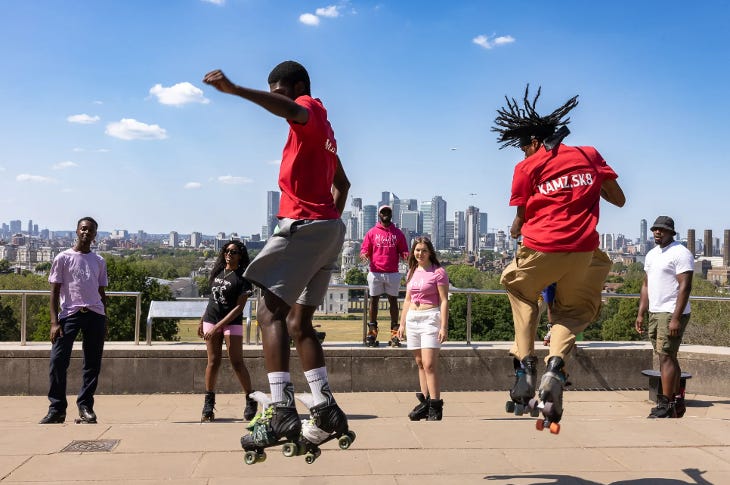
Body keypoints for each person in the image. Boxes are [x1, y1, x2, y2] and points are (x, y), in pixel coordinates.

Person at [203, 61, 352, 449]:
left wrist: (236, 90)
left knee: (269, 312)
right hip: (329, 229)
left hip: (303, 224)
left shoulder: (309, 110)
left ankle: (282, 412)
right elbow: (343, 183)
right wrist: (329, 218)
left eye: (279, 91)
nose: (277, 98)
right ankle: (325, 406)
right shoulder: (327, 135)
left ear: (299, 86)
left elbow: (291, 109)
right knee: (300, 322)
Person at [493, 85, 625, 424]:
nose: (522, 154)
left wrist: (513, 229)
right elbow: (618, 198)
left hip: (541, 248)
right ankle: (555, 366)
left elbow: (521, 218)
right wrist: (591, 182)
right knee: (573, 310)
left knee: (519, 288)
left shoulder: (527, 168)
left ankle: (526, 367)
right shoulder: (589, 154)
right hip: (582, 250)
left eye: (523, 147)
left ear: (535, 142)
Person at [40, 217, 108, 424]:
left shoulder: (99, 261)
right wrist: (54, 322)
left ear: (95, 236)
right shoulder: (63, 258)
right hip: (69, 315)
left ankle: (85, 406)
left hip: (95, 315)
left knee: (92, 364)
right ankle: (57, 408)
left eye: (91, 231)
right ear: (77, 231)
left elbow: (101, 292)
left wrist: (105, 320)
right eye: (83, 229)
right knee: (58, 362)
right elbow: (54, 292)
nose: (86, 233)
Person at [635, 216, 694, 418]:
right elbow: (646, 285)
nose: (657, 232)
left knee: (665, 357)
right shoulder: (651, 255)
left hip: (671, 312)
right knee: (667, 356)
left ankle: (666, 404)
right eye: (655, 229)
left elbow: (685, 286)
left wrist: (676, 318)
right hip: (656, 312)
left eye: (662, 230)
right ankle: (677, 402)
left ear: (671, 232)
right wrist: (641, 312)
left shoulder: (680, 253)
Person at [198, 240, 258, 422]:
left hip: (231, 323)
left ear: (240, 255)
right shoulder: (218, 271)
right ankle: (208, 403)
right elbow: (212, 299)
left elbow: (239, 308)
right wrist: (203, 320)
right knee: (213, 362)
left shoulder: (243, 278)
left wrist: (218, 327)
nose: (228, 254)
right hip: (211, 319)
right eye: (226, 251)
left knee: (236, 362)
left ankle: (250, 399)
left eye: (233, 252)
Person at [397, 237, 449, 421]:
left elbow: (444, 300)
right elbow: (407, 300)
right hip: (413, 318)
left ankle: (436, 405)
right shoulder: (411, 271)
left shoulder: (438, 272)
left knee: (429, 364)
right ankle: (425, 402)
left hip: (430, 318)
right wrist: (401, 324)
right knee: (419, 363)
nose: (420, 253)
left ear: (430, 252)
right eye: (417, 250)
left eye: (424, 250)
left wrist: (444, 326)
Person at [360, 204, 409, 347]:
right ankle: (372, 332)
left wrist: (407, 257)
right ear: (379, 215)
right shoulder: (372, 232)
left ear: (391, 214)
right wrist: (364, 255)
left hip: (392, 272)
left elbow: (404, 251)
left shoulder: (398, 233)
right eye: (383, 212)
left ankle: (395, 333)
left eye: (388, 212)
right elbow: (365, 250)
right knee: (373, 301)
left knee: (393, 302)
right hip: (375, 272)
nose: (385, 214)